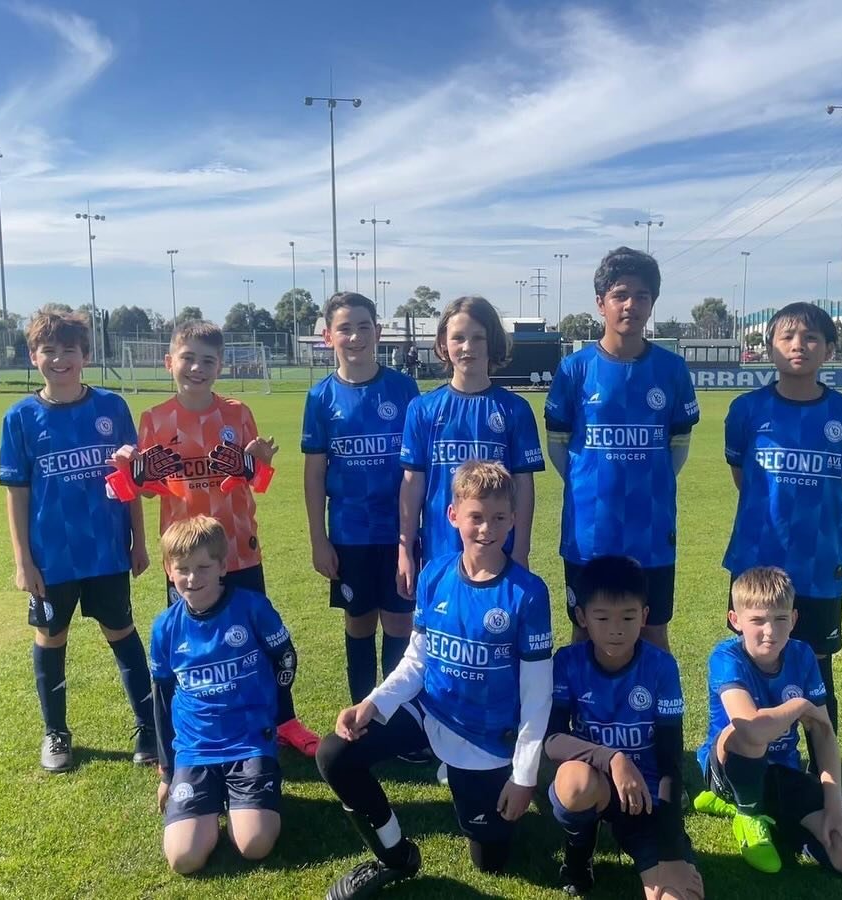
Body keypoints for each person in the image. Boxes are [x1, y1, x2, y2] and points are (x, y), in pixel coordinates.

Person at [315, 460, 554, 898]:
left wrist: (523, 776)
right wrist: (374, 702)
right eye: (476, 516)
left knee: (492, 862)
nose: (487, 528)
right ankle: (394, 855)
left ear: (514, 519)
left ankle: (476, 783)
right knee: (335, 754)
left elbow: (537, 696)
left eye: (499, 518)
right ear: (453, 516)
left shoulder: (529, 593)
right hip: (431, 712)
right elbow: (418, 659)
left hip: (485, 738)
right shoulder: (435, 574)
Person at [119, 320, 319, 757]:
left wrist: (261, 463)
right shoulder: (154, 419)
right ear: (170, 362)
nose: (197, 367)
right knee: (189, 650)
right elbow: (146, 486)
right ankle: (183, 734)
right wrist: (131, 472)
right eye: (187, 358)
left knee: (263, 640)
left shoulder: (237, 413)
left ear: (221, 365)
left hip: (238, 549)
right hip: (186, 562)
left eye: (207, 360)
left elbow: (258, 480)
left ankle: (284, 719)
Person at [0, 308, 156, 773]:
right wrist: (22, 560)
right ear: (34, 357)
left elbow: (130, 481)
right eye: (49, 350)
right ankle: (56, 733)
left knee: (122, 633)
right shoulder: (20, 418)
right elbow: (17, 495)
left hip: (106, 551)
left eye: (70, 350)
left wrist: (139, 542)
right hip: (52, 558)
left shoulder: (111, 407)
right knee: (51, 638)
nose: (60, 359)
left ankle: (149, 728)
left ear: (85, 355)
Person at [721, 301, 842, 763]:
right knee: (750, 664)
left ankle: (825, 775)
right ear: (770, 347)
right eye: (787, 337)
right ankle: (745, 768)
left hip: (820, 564)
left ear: (827, 349)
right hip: (756, 564)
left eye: (810, 338)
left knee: (818, 672)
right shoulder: (746, 410)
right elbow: (744, 480)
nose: (798, 346)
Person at [545, 247, 699, 651]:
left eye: (642, 296)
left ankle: (658, 715)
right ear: (601, 303)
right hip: (588, 530)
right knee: (583, 631)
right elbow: (560, 447)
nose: (631, 305)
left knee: (652, 631)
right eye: (620, 295)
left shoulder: (672, 370)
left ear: (653, 303)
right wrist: (593, 480)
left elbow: (677, 446)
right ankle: (576, 716)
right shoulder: (574, 370)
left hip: (651, 528)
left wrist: (648, 480)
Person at [545, 556, 704, 899]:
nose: (616, 629)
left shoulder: (661, 667)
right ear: (582, 618)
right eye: (602, 618)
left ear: (644, 616)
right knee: (574, 782)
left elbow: (670, 759)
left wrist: (672, 847)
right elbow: (553, 739)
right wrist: (613, 758)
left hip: (644, 796)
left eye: (628, 617)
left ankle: (644, 843)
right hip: (595, 782)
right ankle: (578, 852)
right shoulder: (567, 662)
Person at [694, 567, 842, 876]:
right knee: (746, 733)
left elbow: (823, 733)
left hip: (781, 772)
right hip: (729, 768)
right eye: (757, 620)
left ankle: (775, 815)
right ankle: (746, 812)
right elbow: (751, 727)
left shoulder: (802, 656)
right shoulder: (726, 657)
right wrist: (798, 705)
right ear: (736, 621)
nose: (770, 632)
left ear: (794, 619)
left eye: (780, 619)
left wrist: (834, 806)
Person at [150, 516, 296, 874]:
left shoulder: (252, 608)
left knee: (254, 845)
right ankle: (213, 801)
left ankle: (246, 799)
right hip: (196, 749)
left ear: (223, 566)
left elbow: (286, 658)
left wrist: (266, 715)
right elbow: (162, 696)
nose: (192, 578)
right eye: (182, 568)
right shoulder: (165, 627)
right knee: (184, 859)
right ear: (169, 570)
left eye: (203, 567)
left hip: (248, 742)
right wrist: (167, 771)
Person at [303, 292, 420, 703]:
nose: (355, 336)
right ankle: (363, 714)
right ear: (327, 336)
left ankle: (398, 716)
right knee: (359, 622)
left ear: (378, 331)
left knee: (400, 623)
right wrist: (319, 539)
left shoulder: (404, 389)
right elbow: (315, 473)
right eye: (345, 328)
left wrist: (411, 537)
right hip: (349, 534)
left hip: (399, 532)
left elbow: (417, 467)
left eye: (363, 326)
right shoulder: (320, 398)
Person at [397, 296, 545, 602]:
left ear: (492, 343)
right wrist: (405, 550)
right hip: (440, 552)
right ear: (442, 345)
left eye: (478, 337)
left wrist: (521, 551)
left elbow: (523, 487)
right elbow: (413, 485)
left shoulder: (514, 410)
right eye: (458, 338)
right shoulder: (423, 409)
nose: (468, 347)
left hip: (500, 554)